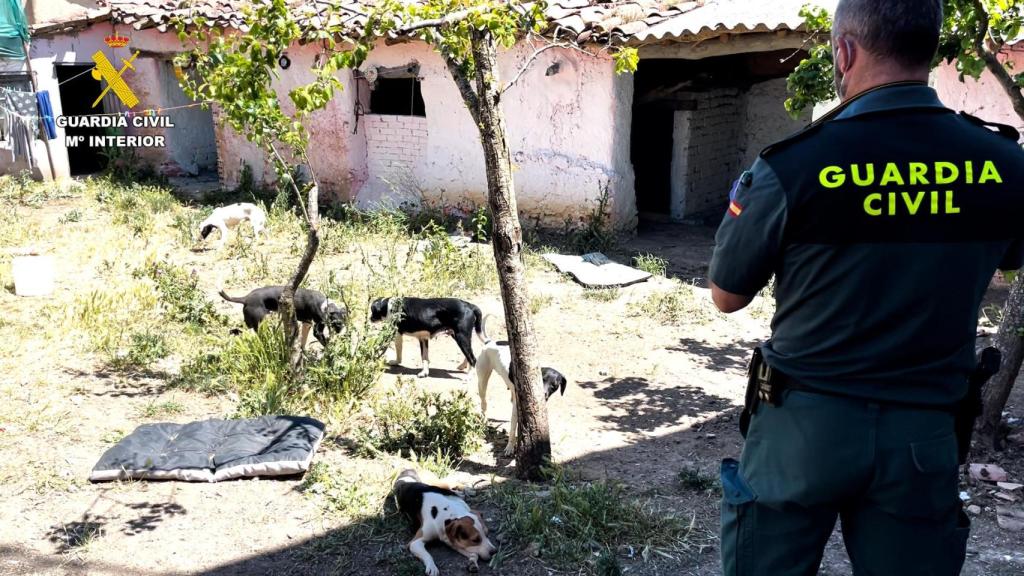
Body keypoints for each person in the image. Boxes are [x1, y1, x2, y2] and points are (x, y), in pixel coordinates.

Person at [708, 0, 1024, 574]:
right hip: (923, 434)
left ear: (845, 51)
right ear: (930, 49)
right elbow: (1008, 262)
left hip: (800, 429)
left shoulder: (792, 166)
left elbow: (727, 295)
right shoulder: (1003, 163)